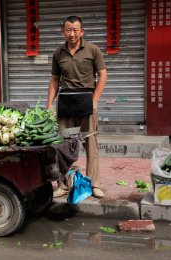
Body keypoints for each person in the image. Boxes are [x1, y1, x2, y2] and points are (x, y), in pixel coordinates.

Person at [47, 16, 107, 198]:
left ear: (82, 32)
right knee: (63, 145)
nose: (71, 34)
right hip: (65, 101)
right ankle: (65, 184)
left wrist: (95, 99)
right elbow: (55, 80)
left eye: (75, 30)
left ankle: (94, 184)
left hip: (86, 99)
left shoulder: (92, 50)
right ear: (62, 32)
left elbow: (103, 75)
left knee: (91, 144)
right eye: (68, 30)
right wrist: (50, 103)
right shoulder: (58, 53)